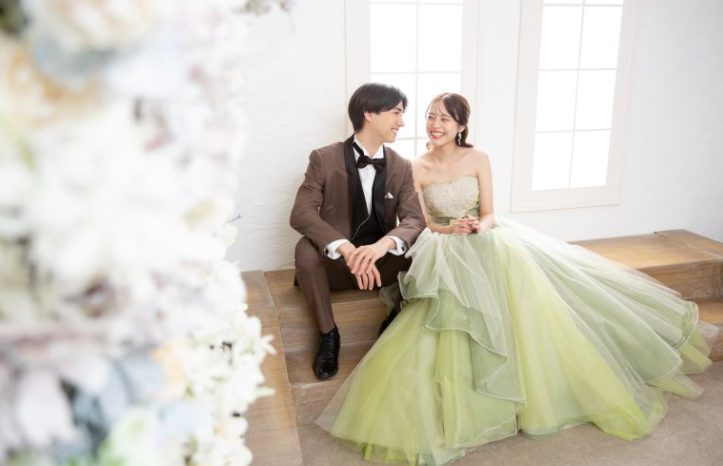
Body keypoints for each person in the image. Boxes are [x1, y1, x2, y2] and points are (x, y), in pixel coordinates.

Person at [316, 93, 719, 464]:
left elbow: (490, 212)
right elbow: (420, 221)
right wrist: (449, 229)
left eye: (445, 119)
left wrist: (479, 226)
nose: (435, 125)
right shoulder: (413, 167)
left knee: (523, 288)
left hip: (484, 238)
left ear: (461, 126)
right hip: (442, 244)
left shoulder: (478, 158)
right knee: (445, 305)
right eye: (430, 117)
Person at [290, 83, 425, 380]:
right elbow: (301, 213)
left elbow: (415, 220)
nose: (401, 122)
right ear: (369, 113)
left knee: (426, 246)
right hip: (336, 267)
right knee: (305, 251)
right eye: (396, 113)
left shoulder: (401, 166)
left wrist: (381, 246)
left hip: (380, 266)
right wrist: (345, 248)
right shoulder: (323, 158)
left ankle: (394, 321)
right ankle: (328, 334)